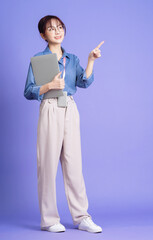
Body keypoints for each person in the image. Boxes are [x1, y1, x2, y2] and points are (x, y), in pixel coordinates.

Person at [24, 15, 104, 233]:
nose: (57, 31)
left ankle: (82, 217)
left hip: (70, 107)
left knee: (74, 164)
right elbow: (29, 91)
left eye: (60, 27)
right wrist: (48, 85)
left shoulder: (72, 59)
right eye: (51, 29)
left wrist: (91, 60)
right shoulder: (38, 60)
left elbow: (84, 82)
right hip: (50, 107)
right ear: (43, 35)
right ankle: (49, 220)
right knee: (47, 164)